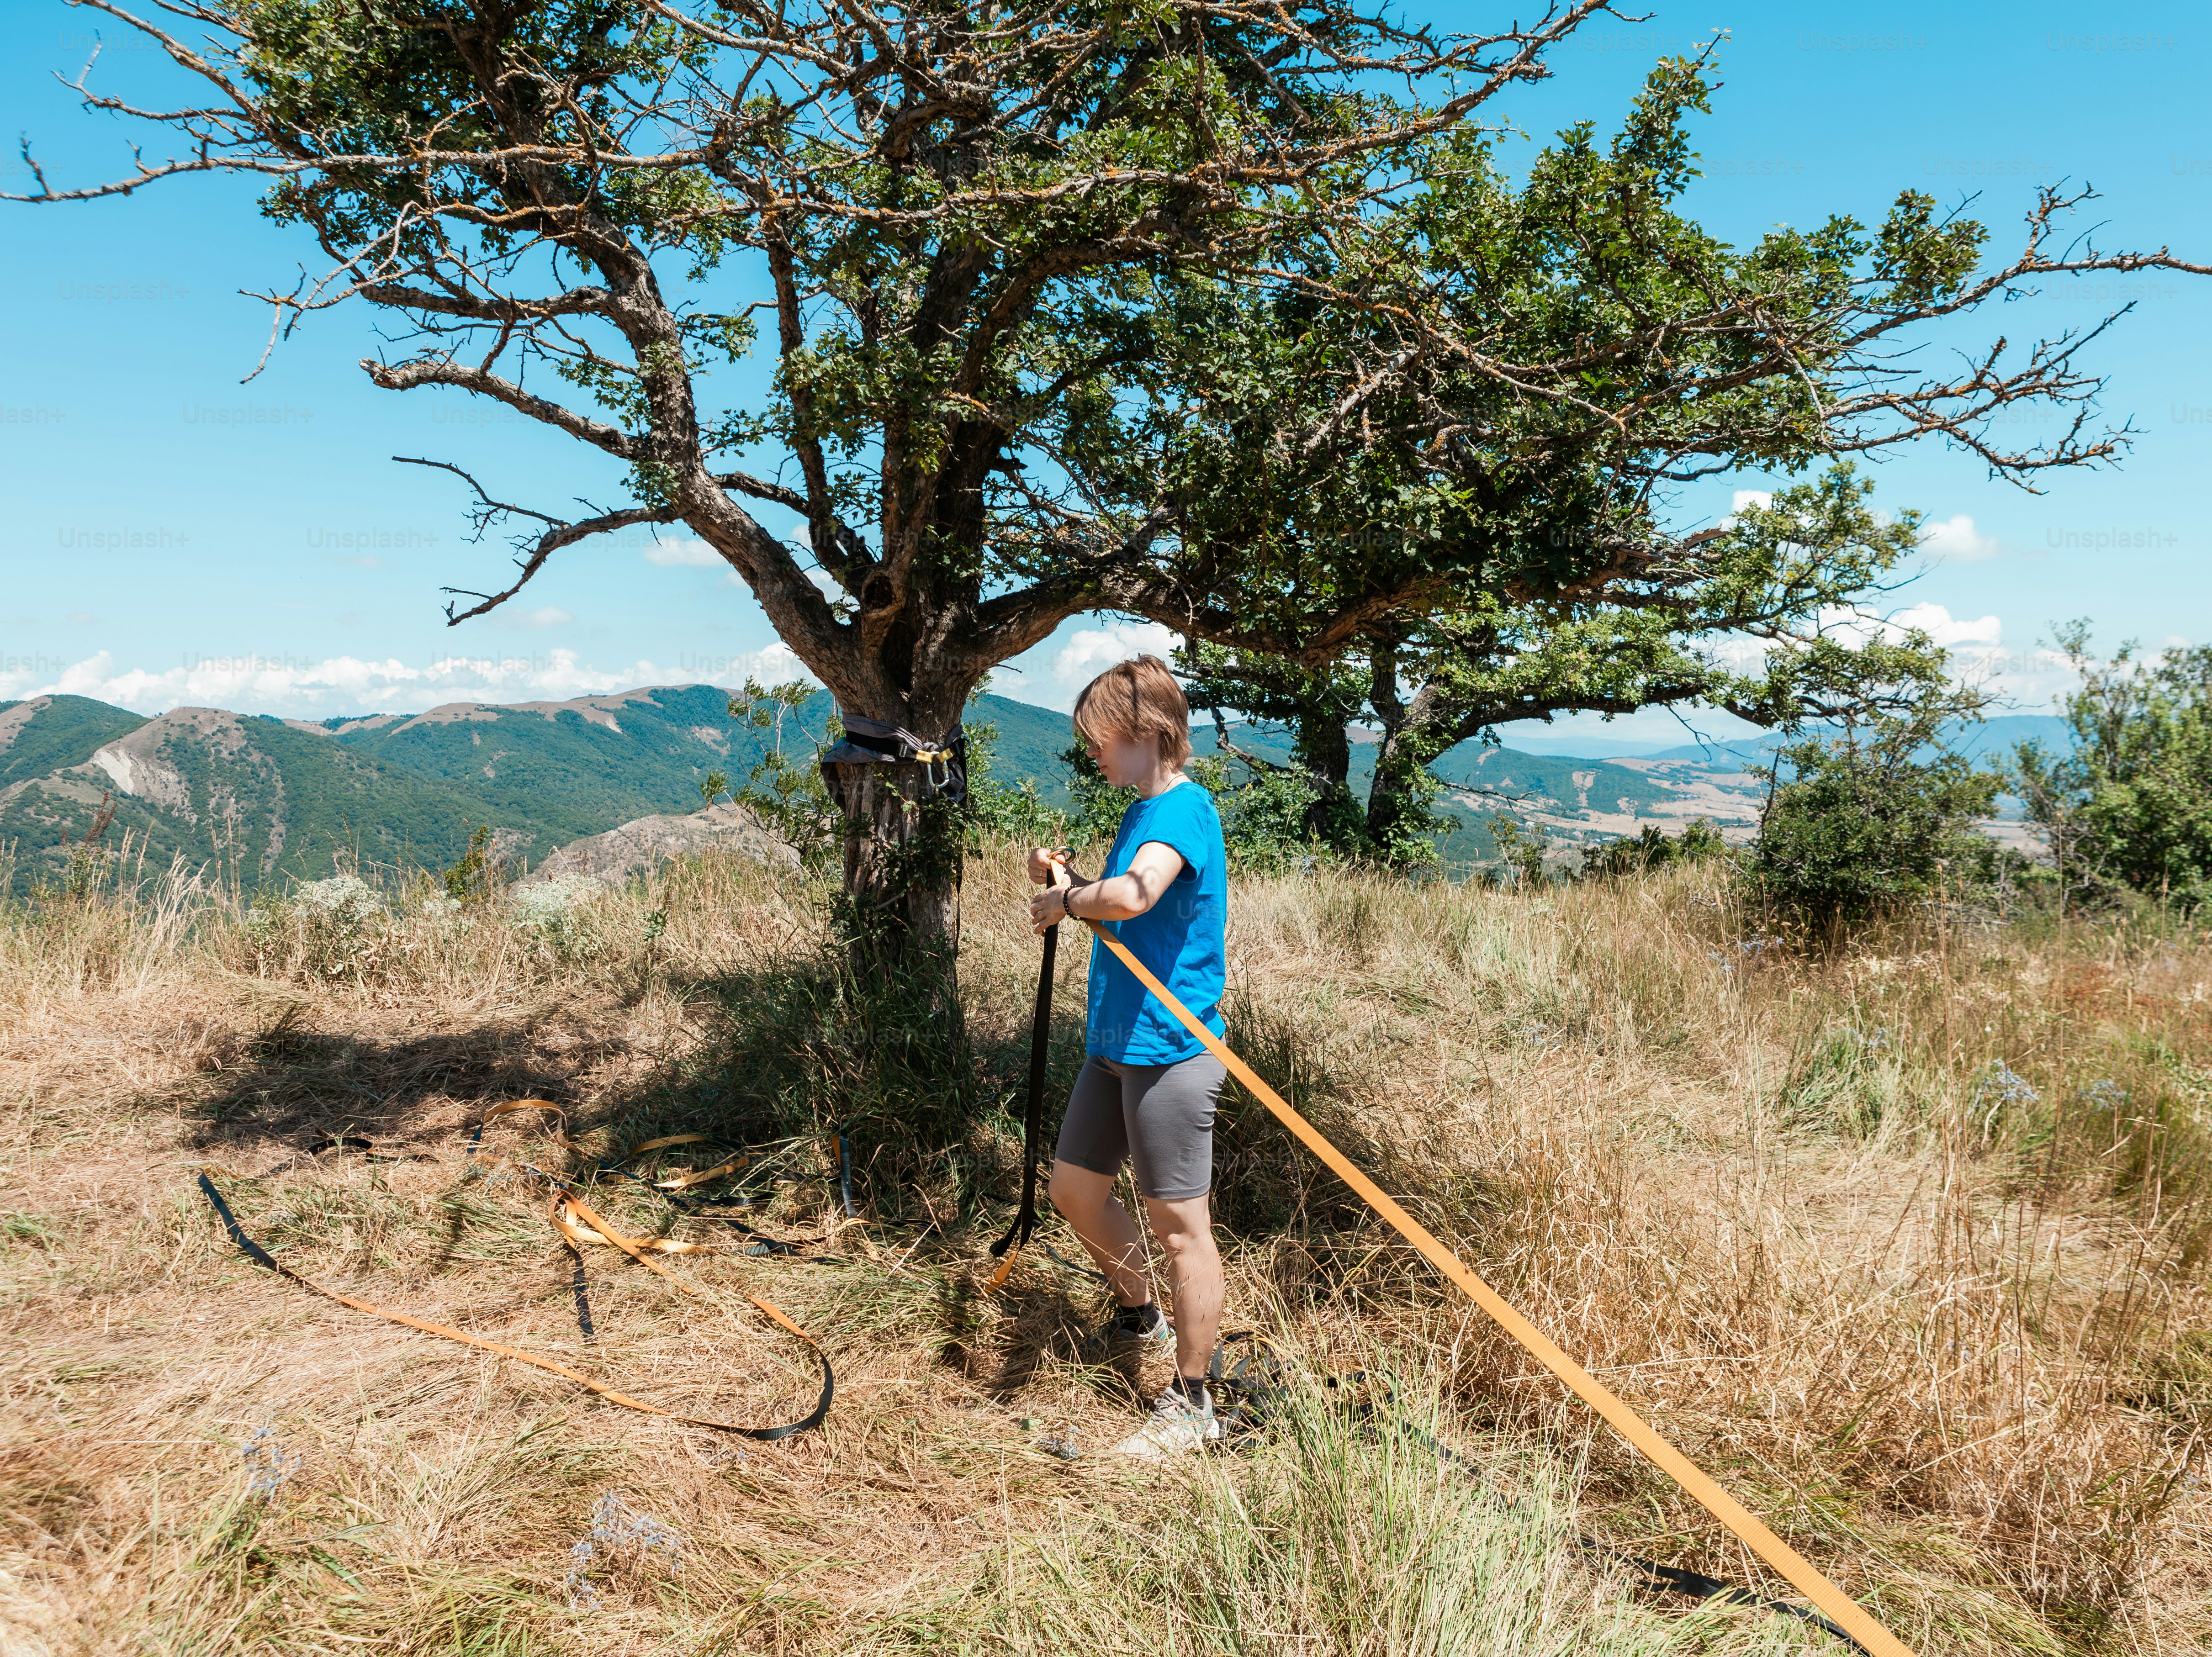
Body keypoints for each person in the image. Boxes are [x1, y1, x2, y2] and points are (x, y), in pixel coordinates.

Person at [1027, 654, 1230, 1457]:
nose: (1092, 755)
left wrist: (1063, 899)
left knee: (1182, 1227)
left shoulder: (1182, 811)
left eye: (1097, 738)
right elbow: (1128, 906)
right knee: (1074, 1193)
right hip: (1114, 1045)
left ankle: (1192, 1399)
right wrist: (1070, 880)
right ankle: (1141, 1311)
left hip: (1170, 1053)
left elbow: (1137, 895)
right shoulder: (1144, 810)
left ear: (1141, 730)